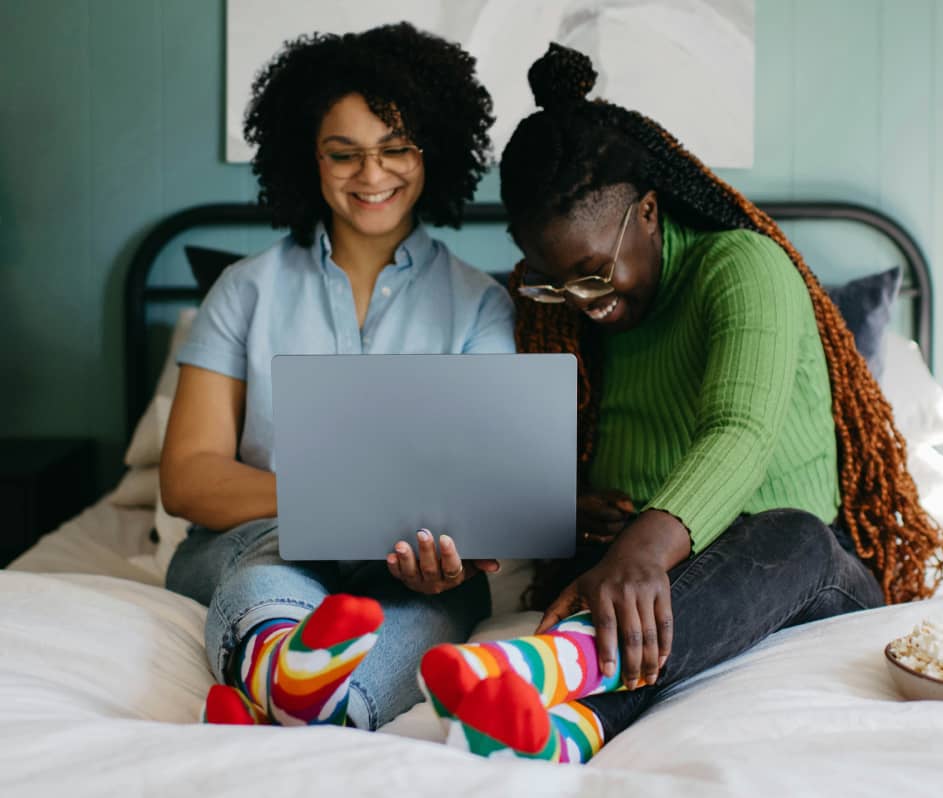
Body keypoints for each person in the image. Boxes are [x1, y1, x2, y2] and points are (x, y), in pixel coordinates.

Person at [417, 42, 943, 763]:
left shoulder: (742, 267)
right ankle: (568, 732)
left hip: (800, 572)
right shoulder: (570, 313)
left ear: (650, 212)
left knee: (788, 532)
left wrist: (641, 549)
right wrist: (571, 508)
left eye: (593, 275)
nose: (583, 305)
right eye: (552, 282)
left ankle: (551, 667)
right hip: (658, 572)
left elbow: (738, 432)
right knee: (610, 577)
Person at [161, 22, 514, 731]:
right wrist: (330, 508)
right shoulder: (244, 290)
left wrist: (445, 551)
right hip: (261, 535)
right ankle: (292, 678)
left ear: (431, 152)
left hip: (409, 561)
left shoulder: (479, 303)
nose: (372, 175)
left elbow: (486, 487)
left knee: (439, 603)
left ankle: (303, 701)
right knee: (270, 557)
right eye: (343, 154)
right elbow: (187, 479)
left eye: (395, 149)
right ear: (308, 159)